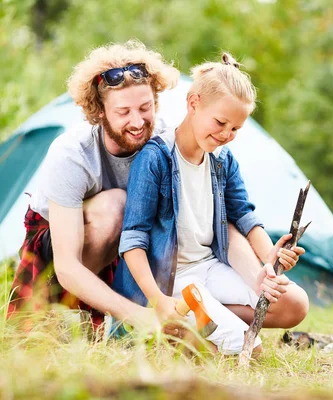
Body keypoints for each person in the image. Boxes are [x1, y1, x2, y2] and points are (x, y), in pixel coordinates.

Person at [115, 53, 310, 354]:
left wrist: (269, 256)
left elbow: (243, 214)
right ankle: (178, 324)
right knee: (251, 351)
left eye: (235, 129)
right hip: (172, 281)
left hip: (209, 268)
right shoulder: (155, 158)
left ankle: (203, 324)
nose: (226, 135)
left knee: (294, 304)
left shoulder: (222, 159)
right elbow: (132, 241)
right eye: (220, 123)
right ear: (193, 104)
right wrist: (158, 300)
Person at [7, 40, 181, 330]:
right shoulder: (73, 153)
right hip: (60, 250)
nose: (137, 121)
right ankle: (62, 317)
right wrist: (138, 316)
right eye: (123, 112)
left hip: (129, 247)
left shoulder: (166, 142)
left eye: (145, 107)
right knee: (116, 205)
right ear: (99, 111)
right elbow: (67, 267)